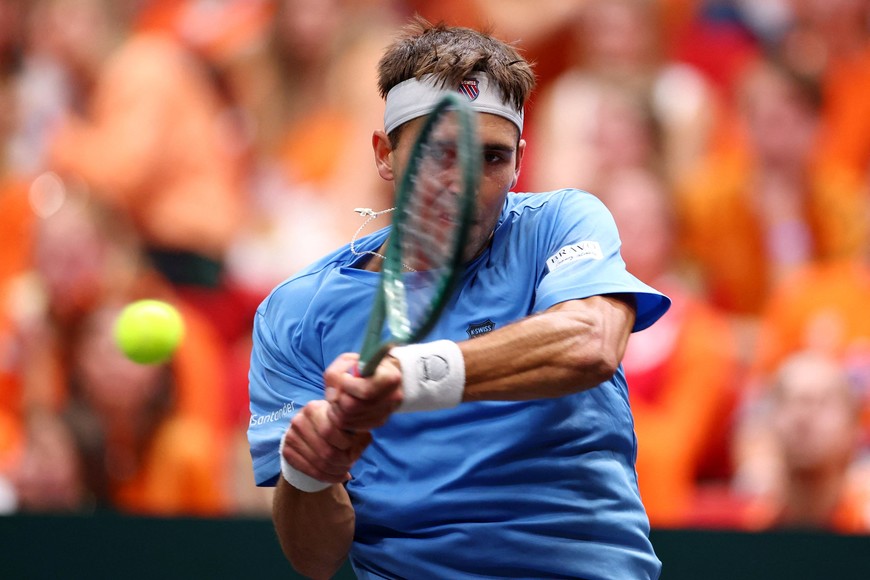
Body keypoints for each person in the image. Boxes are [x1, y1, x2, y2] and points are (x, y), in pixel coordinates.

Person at [247, 18, 671, 579]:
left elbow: (591, 343)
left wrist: (409, 376)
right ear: (385, 155)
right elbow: (314, 557)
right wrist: (310, 473)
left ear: (520, 161)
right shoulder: (296, 314)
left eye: (492, 159)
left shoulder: (561, 223)